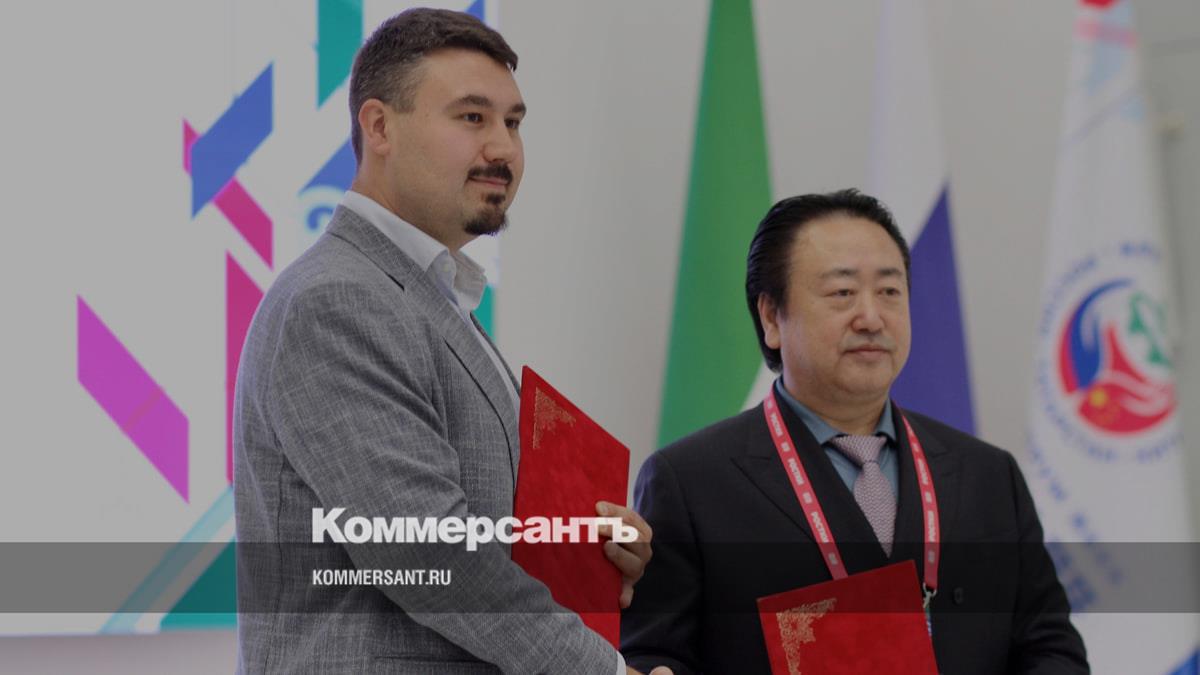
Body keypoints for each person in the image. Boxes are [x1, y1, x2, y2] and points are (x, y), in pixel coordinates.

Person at [234, 9, 665, 674]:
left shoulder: (429, 293)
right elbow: (430, 556)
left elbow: (472, 527)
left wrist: (583, 547)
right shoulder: (339, 299)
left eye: (513, 123)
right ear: (379, 127)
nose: (503, 148)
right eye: (471, 117)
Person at [621, 189, 1089, 674]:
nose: (871, 317)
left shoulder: (988, 475)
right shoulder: (691, 482)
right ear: (771, 317)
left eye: (889, 292)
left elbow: (1052, 649)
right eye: (842, 293)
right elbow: (653, 655)